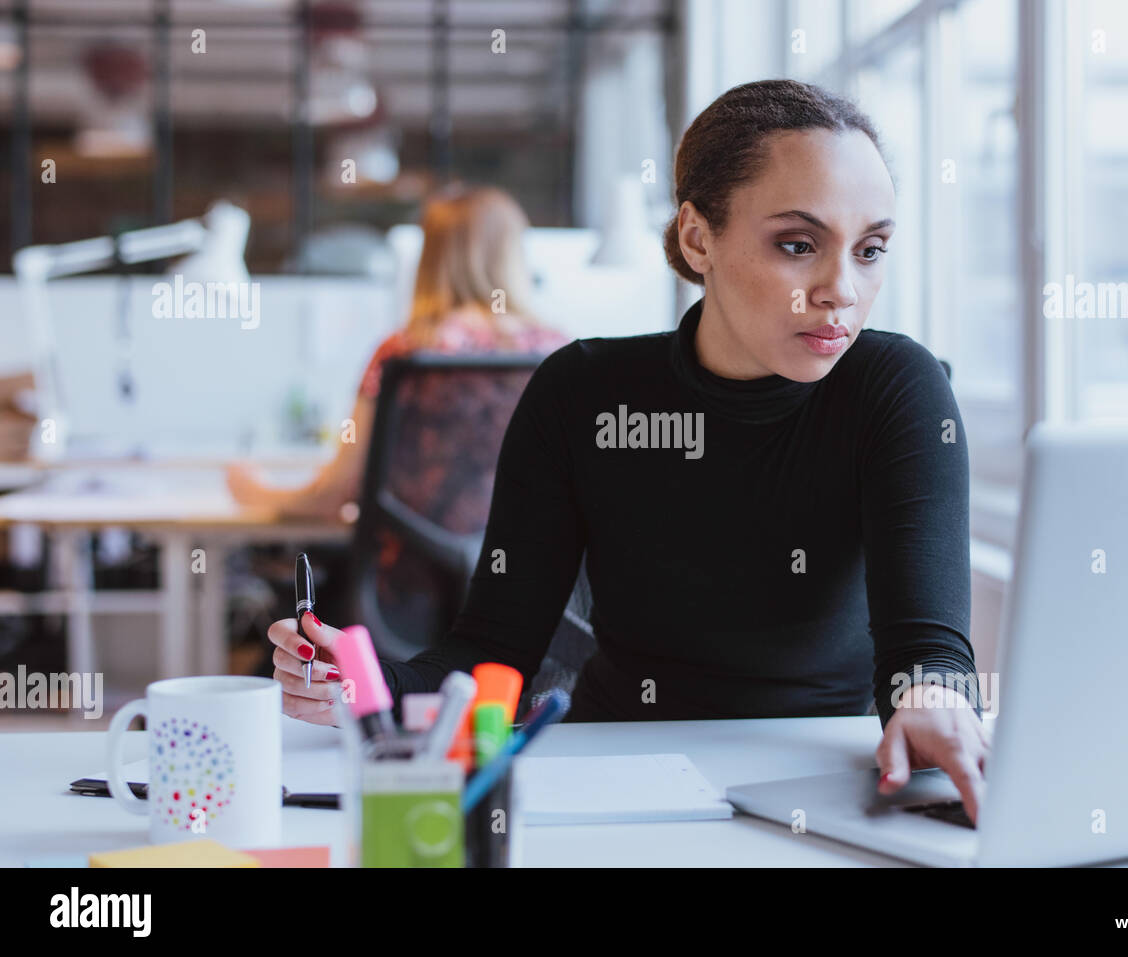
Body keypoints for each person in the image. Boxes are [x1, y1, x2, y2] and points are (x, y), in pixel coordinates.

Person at [268, 79, 992, 823]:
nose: (841, 289)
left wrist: (934, 703)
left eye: (870, 249)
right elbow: (492, 657)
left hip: (822, 772)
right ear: (696, 237)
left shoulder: (894, 387)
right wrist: (356, 681)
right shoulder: (582, 390)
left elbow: (928, 651)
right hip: (617, 774)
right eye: (798, 244)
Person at [225, 184, 570, 519]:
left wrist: (251, 489)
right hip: (532, 576)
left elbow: (333, 494)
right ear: (513, 257)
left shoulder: (404, 351)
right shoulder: (561, 356)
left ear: (430, 261)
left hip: (414, 573)